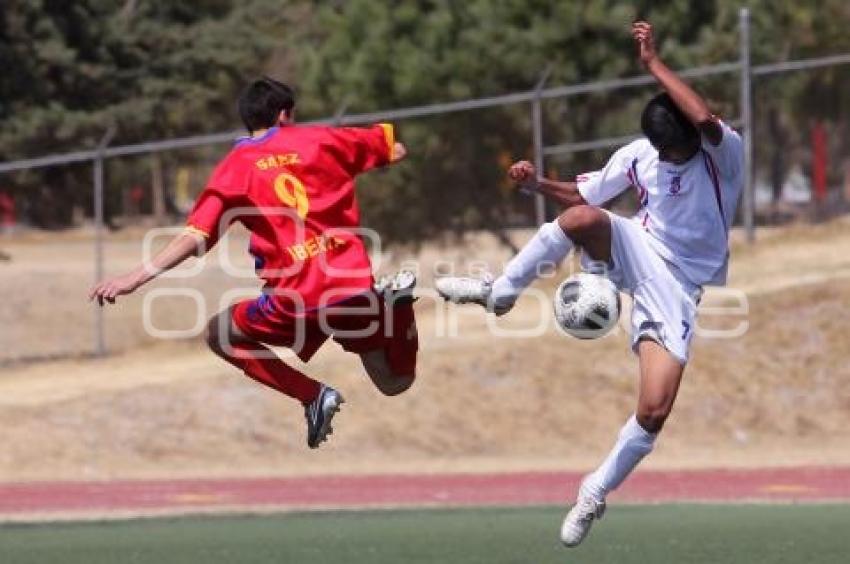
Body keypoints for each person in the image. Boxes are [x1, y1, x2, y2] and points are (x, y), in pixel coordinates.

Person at [436, 21, 743, 546]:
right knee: (582, 221)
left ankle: (594, 491)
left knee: (654, 409)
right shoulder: (643, 153)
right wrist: (536, 184)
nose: (666, 158)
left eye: (674, 150)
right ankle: (499, 293)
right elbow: (584, 196)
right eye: (660, 150)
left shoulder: (724, 153)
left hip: (679, 285)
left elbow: (703, 116)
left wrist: (652, 64)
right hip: (639, 247)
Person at [90, 77, 418, 449]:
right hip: (350, 288)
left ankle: (312, 396)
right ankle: (398, 308)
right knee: (394, 382)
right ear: (285, 114)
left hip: (294, 300)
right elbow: (395, 148)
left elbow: (195, 237)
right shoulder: (324, 139)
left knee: (220, 333)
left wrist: (133, 278)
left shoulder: (234, 169)